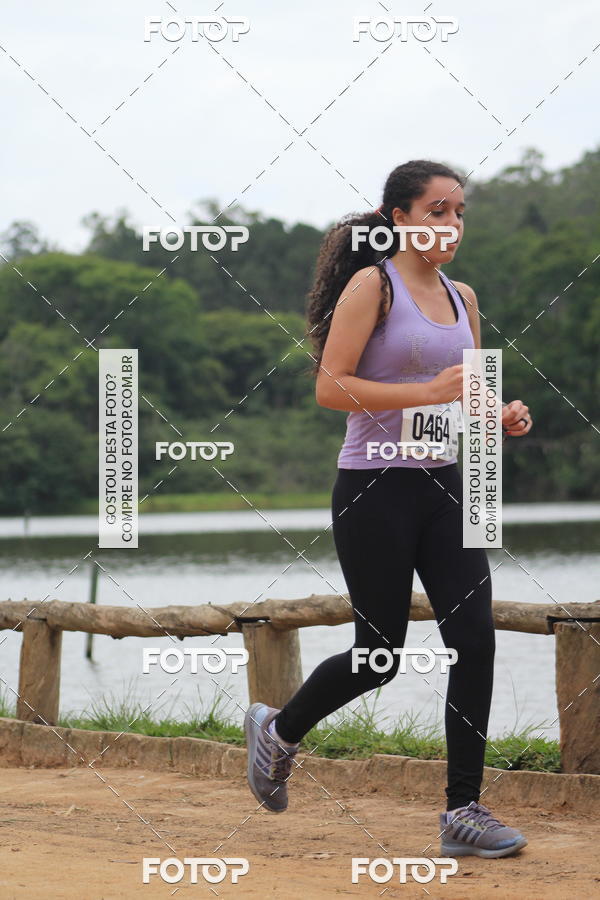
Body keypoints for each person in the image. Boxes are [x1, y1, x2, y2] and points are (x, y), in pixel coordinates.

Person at [244, 160, 533, 859]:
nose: (452, 225)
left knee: (476, 639)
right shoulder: (371, 286)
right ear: (400, 217)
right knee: (381, 656)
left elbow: (458, 393)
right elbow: (331, 388)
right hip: (374, 491)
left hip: (443, 485)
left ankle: (462, 809)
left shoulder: (464, 297)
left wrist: (498, 414)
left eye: (460, 212)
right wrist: (429, 388)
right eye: (438, 210)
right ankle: (278, 733)